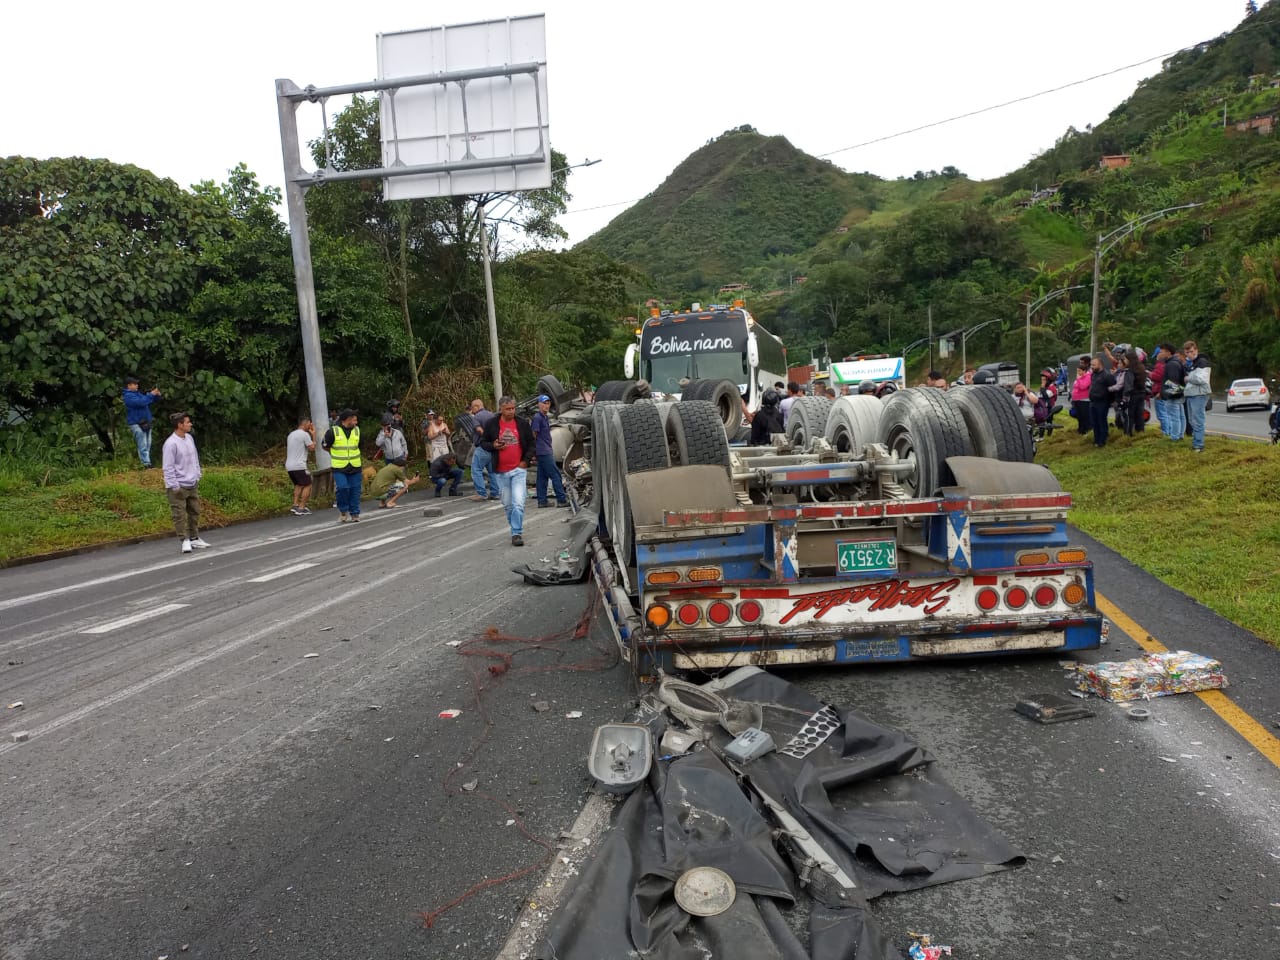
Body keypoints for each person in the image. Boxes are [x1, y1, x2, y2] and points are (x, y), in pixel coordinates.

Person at [481, 396, 535, 546]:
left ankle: (516, 533)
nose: (512, 411)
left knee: (518, 502)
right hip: (500, 472)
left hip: (518, 470)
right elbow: (483, 442)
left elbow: (531, 443)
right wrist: (493, 445)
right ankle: (514, 526)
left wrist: (525, 461)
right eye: (508, 409)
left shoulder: (522, 424)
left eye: (513, 408)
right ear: (501, 409)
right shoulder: (492, 424)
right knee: (508, 504)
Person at [161, 412, 210, 554]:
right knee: (179, 514)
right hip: (178, 485)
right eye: (187, 422)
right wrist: (174, 486)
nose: (190, 424)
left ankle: (194, 537)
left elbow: (194, 457)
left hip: (192, 482)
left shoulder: (189, 438)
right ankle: (184, 540)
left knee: (194, 511)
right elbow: (168, 467)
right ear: (180, 425)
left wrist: (197, 474)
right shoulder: (171, 444)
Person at [322, 408, 363, 523]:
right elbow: (325, 445)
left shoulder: (357, 431)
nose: (356, 423)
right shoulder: (333, 431)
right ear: (347, 420)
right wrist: (333, 453)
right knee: (343, 488)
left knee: (355, 490)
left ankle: (355, 513)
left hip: (355, 465)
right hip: (339, 467)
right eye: (354, 420)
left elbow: (360, 446)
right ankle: (343, 510)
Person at [530, 394, 569, 508]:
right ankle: (561, 500)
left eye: (548, 403)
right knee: (556, 474)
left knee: (542, 477)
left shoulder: (545, 417)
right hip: (544, 451)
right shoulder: (537, 418)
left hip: (545, 449)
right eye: (544, 403)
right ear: (539, 404)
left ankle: (542, 501)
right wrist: (534, 452)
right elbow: (534, 435)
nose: (546, 406)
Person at [122, 376, 162, 468]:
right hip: (136, 423)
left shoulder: (137, 394)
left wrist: (157, 395)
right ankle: (145, 464)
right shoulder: (128, 396)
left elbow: (148, 400)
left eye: (137, 383)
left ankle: (147, 463)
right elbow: (141, 402)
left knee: (148, 443)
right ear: (129, 385)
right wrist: (151, 394)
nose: (137, 385)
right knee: (143, 444)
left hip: (145, 422)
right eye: (135, 384)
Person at [1183, 339, 1212, 453]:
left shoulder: (1202, 362)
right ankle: (1196, 442)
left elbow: (1201, 379)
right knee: (1192, 420)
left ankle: (1199, 445)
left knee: (1198, 419)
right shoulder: (1192, 363)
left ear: (1196, 350)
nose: (1190, 354)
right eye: (1187, 353)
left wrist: (1188, 378)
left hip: (1199, 394)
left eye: (1191, 351)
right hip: (1192, 394)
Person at [468, 398, 499, 502]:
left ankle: (482, 493)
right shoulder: (492, 415)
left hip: (483, 446)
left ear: (477, 406)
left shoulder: (476, 417)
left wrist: (486, 438)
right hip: (493, 447)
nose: (472, 410)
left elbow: (479, 429)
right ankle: (495, 493)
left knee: (476, 469)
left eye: (472, 407)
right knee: (492, 471)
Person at [285, 416, 316, 515]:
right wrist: (314, 435)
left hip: (289, 465)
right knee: (308, 484)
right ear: (305, 423)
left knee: (299, 484)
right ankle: (302, 507)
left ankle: (295, 505)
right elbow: (312, 448)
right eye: (310, 423)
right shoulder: (304, 435)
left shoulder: (291, 434)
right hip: (299, 465)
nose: (310, 425)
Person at [1159, 344, 1186, 440]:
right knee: (1180, 416)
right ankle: (1180, 435)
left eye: (1161, 352)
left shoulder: (1171, 364)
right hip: (1179, 392)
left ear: (1168, 352)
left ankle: (1175, 437)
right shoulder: (1177, 362)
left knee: (1174, 417)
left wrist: (1167, 394)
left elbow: (1172, 381)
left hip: (1173, 395)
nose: (1160, 354)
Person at [1087, 355, 1116, 447]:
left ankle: (1102, 441)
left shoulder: (1107, 376)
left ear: (1100, 365)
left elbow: (1113, 389)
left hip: (1102, 402)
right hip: (1093, 401)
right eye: (1091, 365)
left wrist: (1110, 401)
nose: (1092, 367)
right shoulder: (1093, 375)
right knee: (1094, 422)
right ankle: (1096, 439)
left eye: (1094, 365)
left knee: (1101, 421)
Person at [1069, 357, 1092, 434]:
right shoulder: (1079, 377)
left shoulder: (1088, 376)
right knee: (1079, 416)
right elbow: (1075, 386)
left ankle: (1086, 430)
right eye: (1077, 371)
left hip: (1084, 400)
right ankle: (1081, 429)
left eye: (1079, 371)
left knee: (1085, 416)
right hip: (1076, 399)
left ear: (1084, 371)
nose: (1078, 372)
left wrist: (1079, 379)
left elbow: (1083, 386)